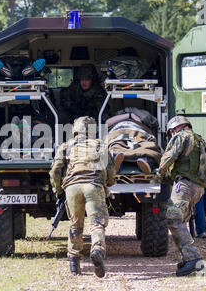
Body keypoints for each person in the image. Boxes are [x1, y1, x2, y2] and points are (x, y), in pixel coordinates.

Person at [49, 116, 116, 278]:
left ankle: (74, 263)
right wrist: (107, 184)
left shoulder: (65, 146)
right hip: (93, 186)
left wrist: (58, 190)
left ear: (75, 130)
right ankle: (97, 249)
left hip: (72, 188)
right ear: (92, 131)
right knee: (97, 223)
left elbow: (56, 170)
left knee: (76, 225)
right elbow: (111, 170)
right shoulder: (100, 144)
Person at [153, 115, 206, 276]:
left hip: (185, 185)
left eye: (171, 132)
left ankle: (193, 258)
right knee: (181, 221)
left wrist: (158, 174)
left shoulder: (181, 136)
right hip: (198, 188)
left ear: (175, 128)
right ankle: (187, 259)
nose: (171, 135)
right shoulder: (202, 141)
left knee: (173, 218)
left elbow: (170, 155)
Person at [105, 107, 161, 174]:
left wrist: (134, 117)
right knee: (117, 144)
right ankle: (116, 163)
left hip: (136, 134)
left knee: (142, 144)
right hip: (121, 133)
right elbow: (107, 123)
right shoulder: (118, 119)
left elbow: (146, 123)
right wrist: (130, 115)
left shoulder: (142, 118)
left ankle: (145, 163)